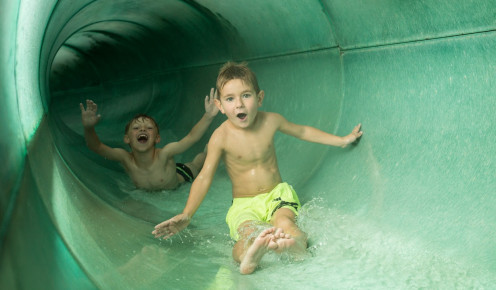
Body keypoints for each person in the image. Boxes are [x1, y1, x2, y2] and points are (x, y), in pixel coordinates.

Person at [152, 61, 363, 274]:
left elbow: (302, 132)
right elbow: (204, 176)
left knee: (286, 222)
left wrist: (342, 140)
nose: (239, 105)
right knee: (247, 232)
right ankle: (248, 256)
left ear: (259, 98)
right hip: (244, 204)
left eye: (246, 95)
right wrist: (187, 214)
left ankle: (295, 246)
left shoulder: (271, 121)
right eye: (230, 99)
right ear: (220, 106)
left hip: (276, 195)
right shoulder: (221, 137)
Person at [79, 90, 219, 191]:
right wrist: (88, 128)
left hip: (182, 176)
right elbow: (96, 147)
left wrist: (208, 116)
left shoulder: (165, 154)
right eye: (136, 128)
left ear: (157, 138)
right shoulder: (125, 159)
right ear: (127, 139)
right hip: (162, 180)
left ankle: (208, 150)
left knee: (197, 163)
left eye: (149, 128)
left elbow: (191, 137)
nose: (142, 130)